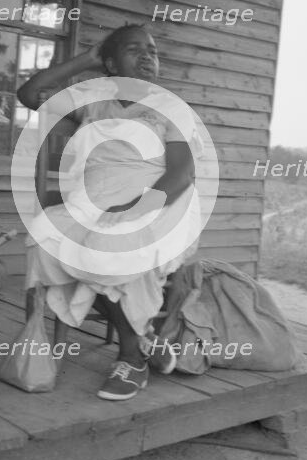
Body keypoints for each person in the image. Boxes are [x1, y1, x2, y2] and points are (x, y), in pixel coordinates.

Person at [17, 24, 203, 401]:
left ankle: (131, 358)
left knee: (110, 246)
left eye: (152, 50)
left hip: (159, 197)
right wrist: (86, 59)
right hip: (96, 199)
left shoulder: (170, 107)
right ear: (111, 62)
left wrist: (136, 209)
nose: (148, 55)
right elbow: (29, 93)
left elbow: (182, 172)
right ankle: (142, 340)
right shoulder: (94, 105)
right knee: (47, 238)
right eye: (134, 49)